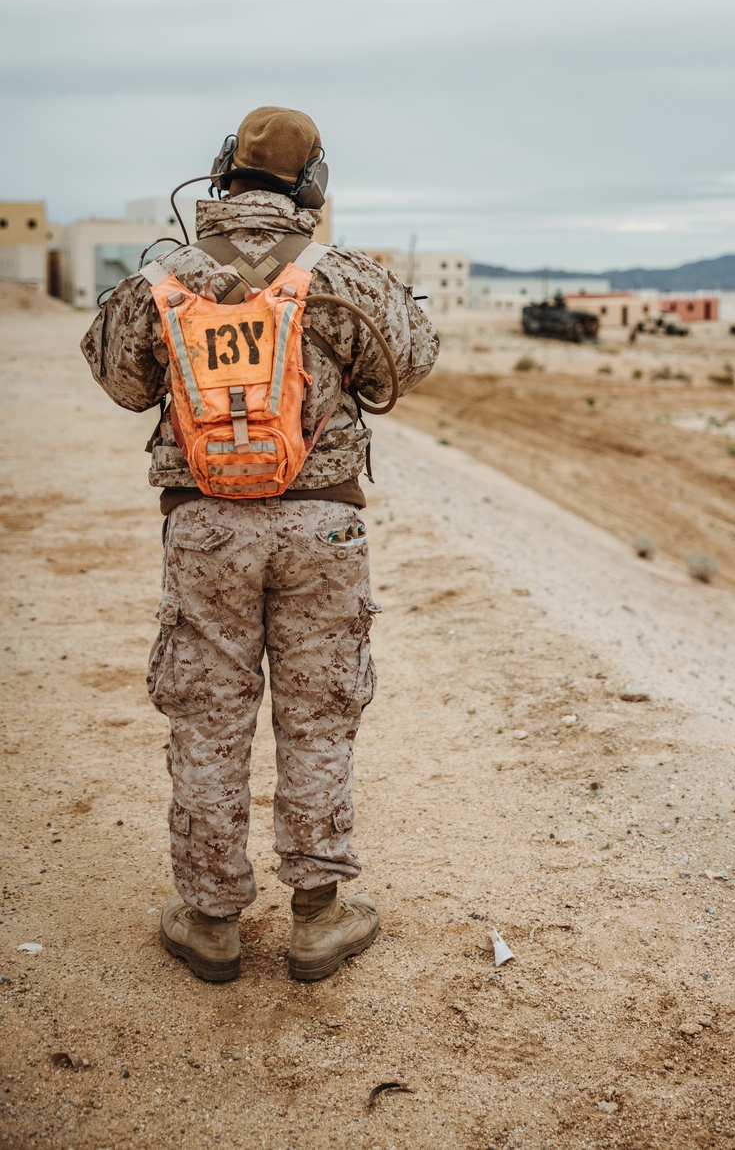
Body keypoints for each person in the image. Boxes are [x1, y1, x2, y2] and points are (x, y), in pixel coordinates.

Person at [81, 106, 439, 982]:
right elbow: (413, 360)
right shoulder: (343, 274)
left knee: (207, 717)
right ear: (311, 183)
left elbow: (119, 377)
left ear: (220, 174)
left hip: (203, 528)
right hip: (324, 523)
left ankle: (209, 919)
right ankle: (318, 914)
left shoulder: (166, 275)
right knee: (319, 713)